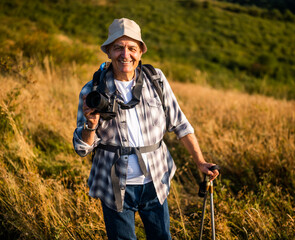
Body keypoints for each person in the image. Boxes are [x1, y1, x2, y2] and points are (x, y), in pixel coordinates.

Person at [73, 18, 219, 240]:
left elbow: (179, 123)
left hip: (155, 180)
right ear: (108, 52)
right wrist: (90, 126)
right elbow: (82, 149)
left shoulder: (156, 79)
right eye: (118, 48)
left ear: (140, 52)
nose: (125, 55)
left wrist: (200, 161)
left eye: (132, 48)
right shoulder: (92, 91)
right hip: (114, 185)